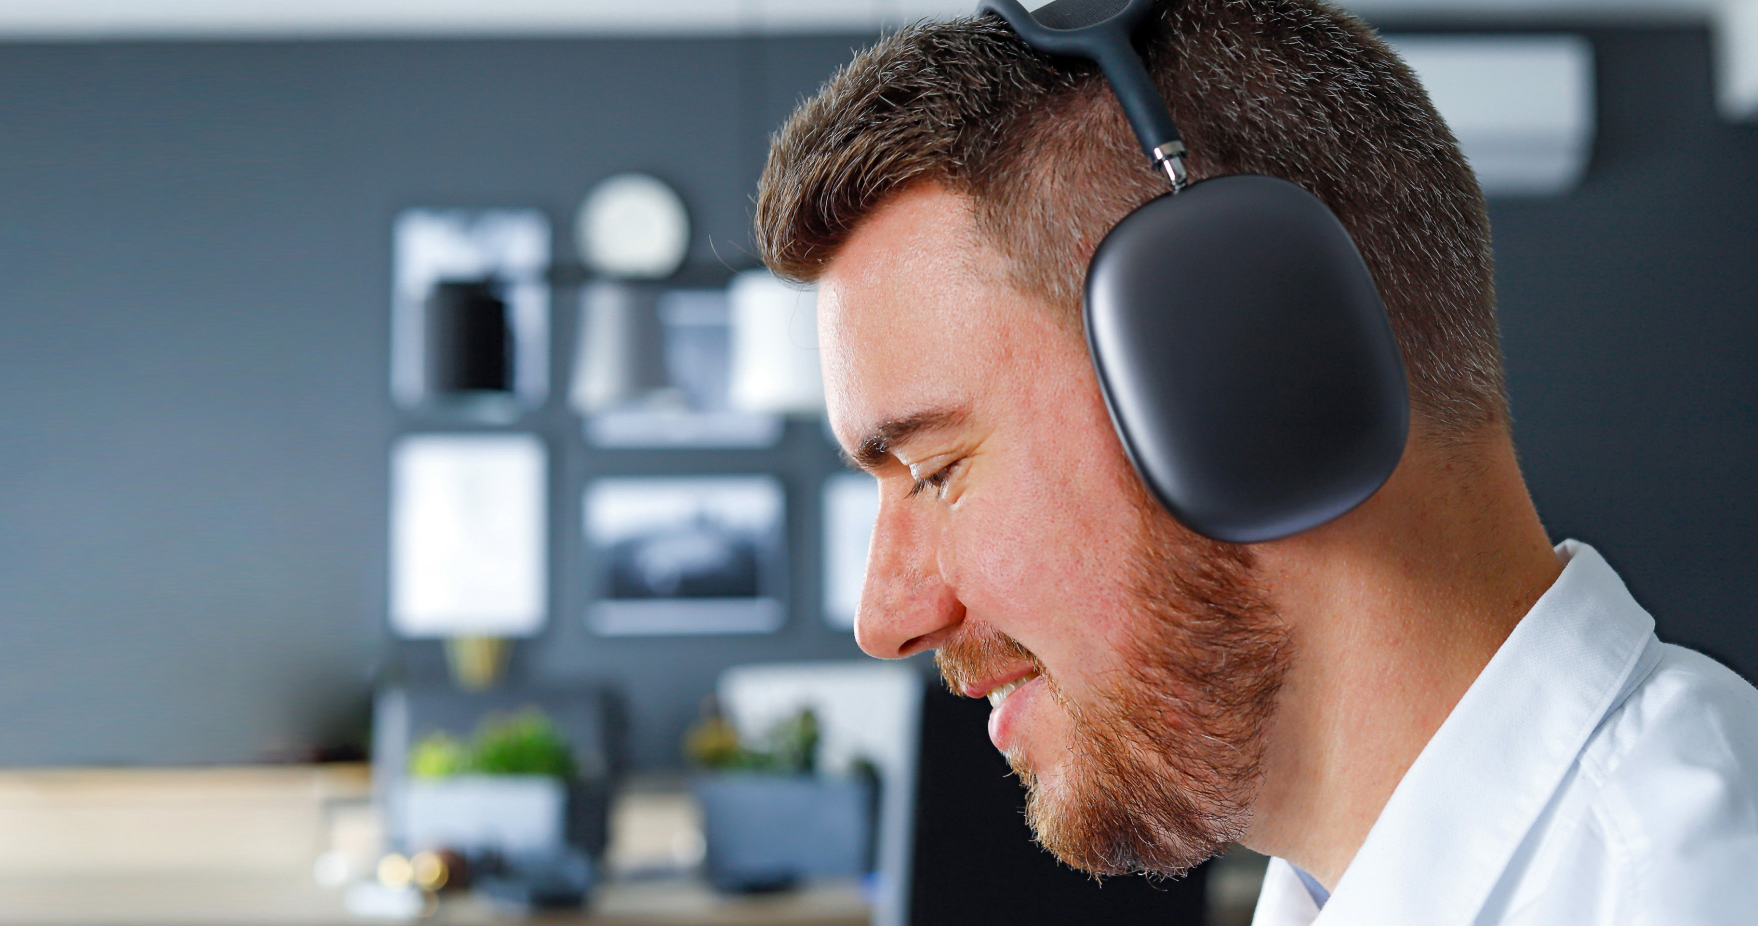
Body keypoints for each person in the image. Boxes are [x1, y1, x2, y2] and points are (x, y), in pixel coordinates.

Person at [753, 1, 1758, 923]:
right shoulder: (1341, 891)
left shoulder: (1684, 887)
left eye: (934, 470)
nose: (884, 618)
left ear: (1238, 380)